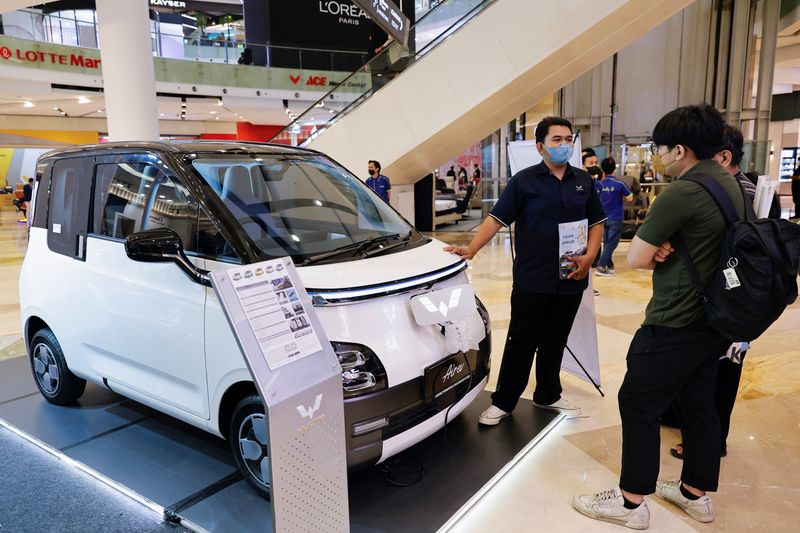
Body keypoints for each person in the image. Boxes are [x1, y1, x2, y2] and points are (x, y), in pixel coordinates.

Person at [574, 104, 745, 529]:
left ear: (679, 150)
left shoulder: (682, 192)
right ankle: (696, 494)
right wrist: (668, 247)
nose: (657, 154)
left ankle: (631, 503)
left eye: (659, 147)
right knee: (699, 403)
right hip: (716, 319)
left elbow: (635, 257)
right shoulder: (731, 184)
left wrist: (659, 250)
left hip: (675, 319)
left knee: (637, 401)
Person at [443, 116, 606, 425]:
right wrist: (472, 248)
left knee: (555, 340)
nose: (564, 145)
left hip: (571, 277)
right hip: (533, 278)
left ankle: (548, 394)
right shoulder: (524, 181)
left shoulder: (584, 181)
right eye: (557, 140)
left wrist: (590, 256)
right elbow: (497, 219)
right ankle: (504, 401)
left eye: (568, 139)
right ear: (541, 146)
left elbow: (597, 222)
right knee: (522, 340)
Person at [667, 123, 780, 461]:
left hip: (733, 301)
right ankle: (686, 424)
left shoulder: (739, 192)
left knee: (722, 372)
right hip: (719, 298)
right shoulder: (726, 188)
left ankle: (710, 442)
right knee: (701, 368)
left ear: (724, 156)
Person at [595, 158, 633, 276]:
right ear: (614, 169)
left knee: (607, 243)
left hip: (602, 218)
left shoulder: (599, 184)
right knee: (612, 243)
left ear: (602, 169)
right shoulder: (619, 184)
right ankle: (601, 266)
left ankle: (610, 266)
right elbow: (630, 197)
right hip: (615, 218)